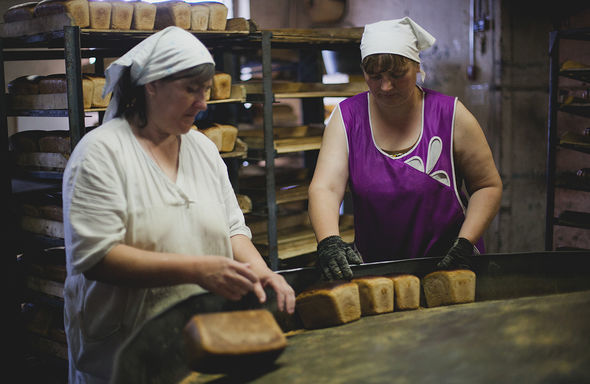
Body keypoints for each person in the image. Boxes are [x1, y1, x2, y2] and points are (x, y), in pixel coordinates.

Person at [62, 27, 295, 384]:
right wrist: (198, 270)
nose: (203, 103)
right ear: (151, 85)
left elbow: (232, 228)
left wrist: (260, 271)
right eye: (191, 89)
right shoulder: (101, 155)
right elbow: (97, 258)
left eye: (204, 90)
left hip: (203, 340)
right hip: (125, 354)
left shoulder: (202, 149)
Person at [308, 17, 502, 280]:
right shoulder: (347, 118)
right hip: (377, 271)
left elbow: (487, 186)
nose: (385, 87)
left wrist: (465, 244)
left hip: (450, 265)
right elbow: (326, 188)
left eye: (397, 75)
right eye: (374, 76)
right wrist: (329, 241)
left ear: (417, 66)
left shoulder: (450, 115)